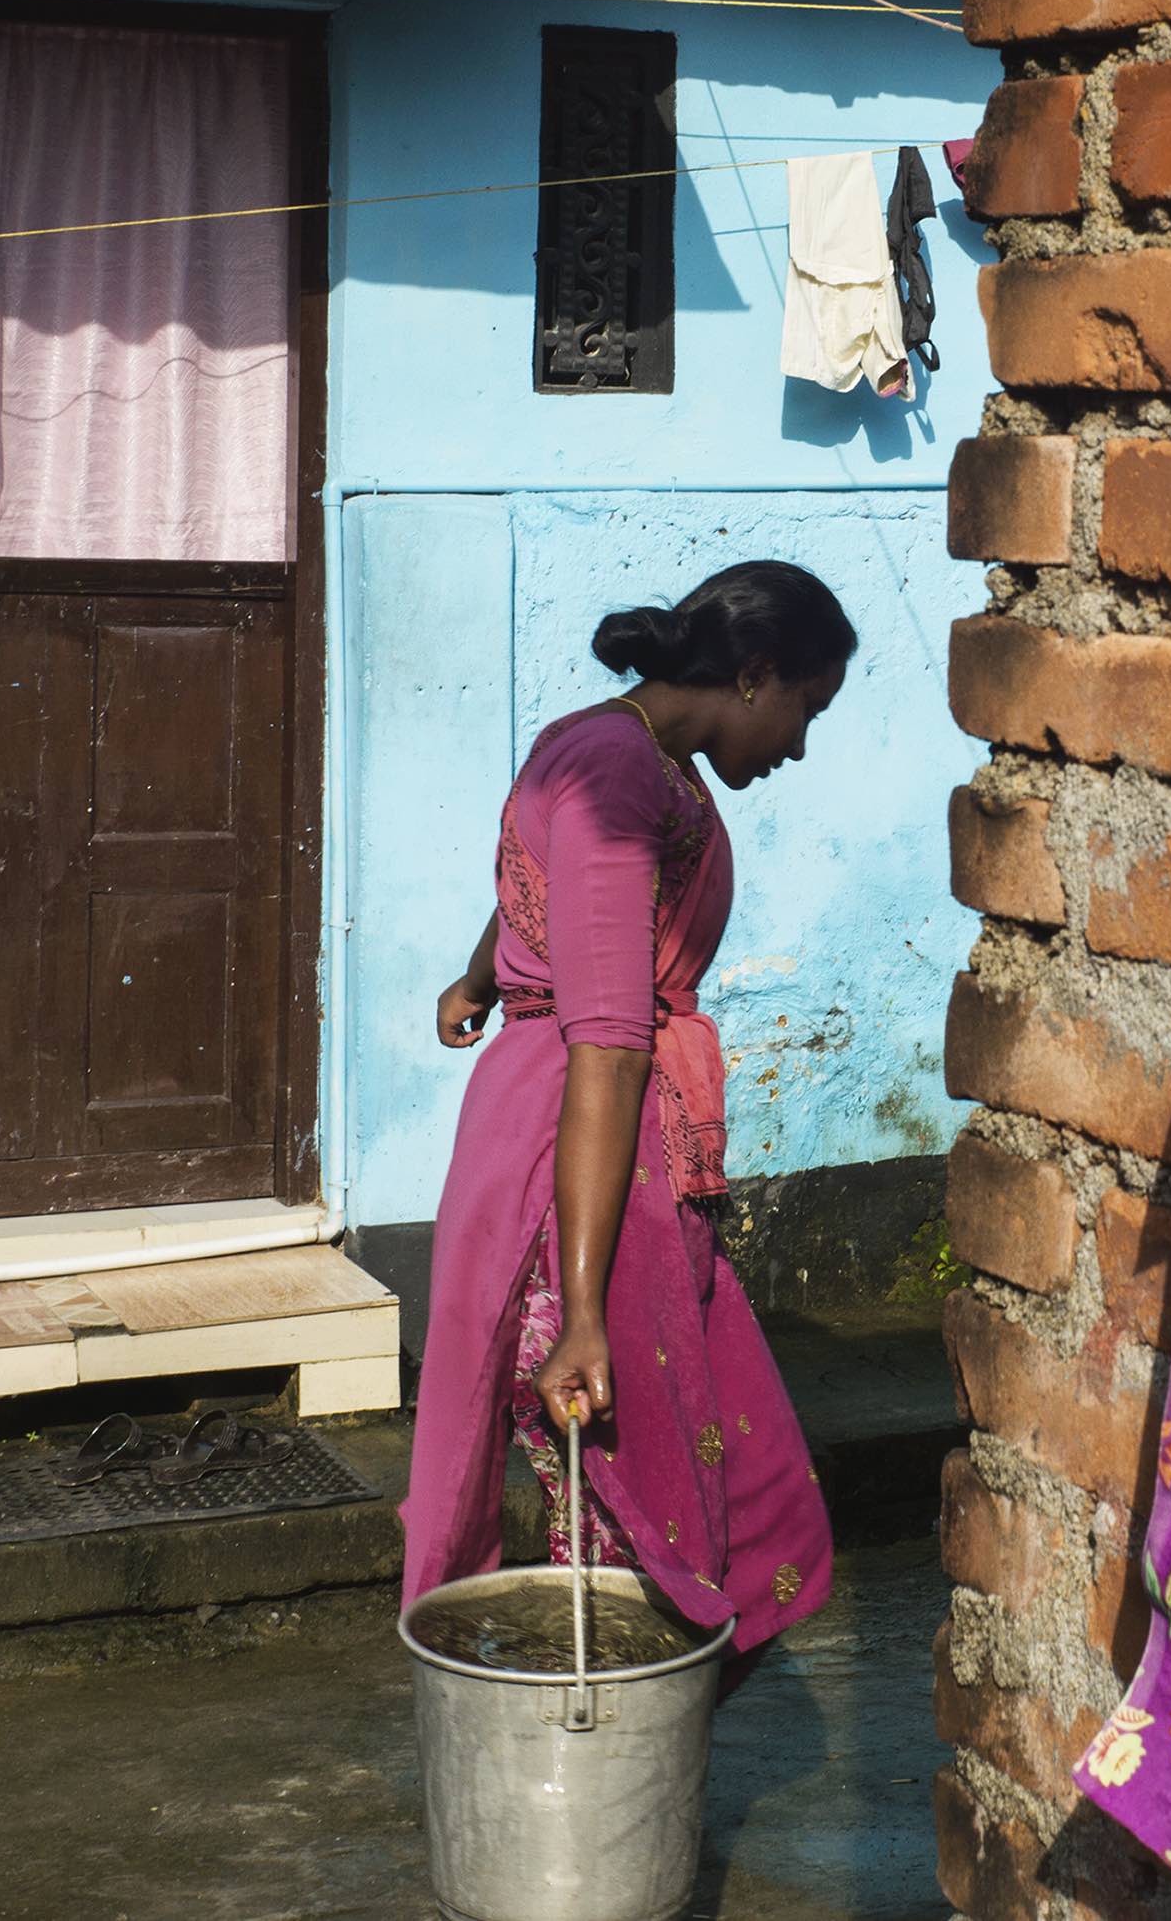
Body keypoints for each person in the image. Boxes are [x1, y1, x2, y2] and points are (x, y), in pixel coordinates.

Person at [397, 560, 857, 1656]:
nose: (799, 748)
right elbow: (607, 1046)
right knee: (636, 1505)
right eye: (806, 709)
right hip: (581, 1141)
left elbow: (551, 891)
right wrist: (586, 1312)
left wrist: (480, 973)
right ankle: (592, 1733)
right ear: (754, 675)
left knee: (713, 1491)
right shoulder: (622, 768)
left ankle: (613, 1710)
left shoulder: (614, 747)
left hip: (586, 1124)